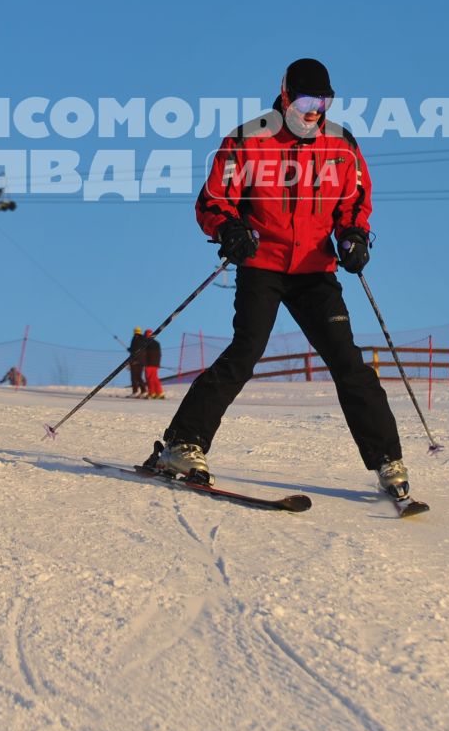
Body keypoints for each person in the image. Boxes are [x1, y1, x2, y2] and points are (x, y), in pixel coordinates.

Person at [146, 58, 410, 504]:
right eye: (307, 100)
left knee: (349, 363)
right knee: (245, 354)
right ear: (285, 95)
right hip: (263, 263)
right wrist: (229, 229)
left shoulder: (341, 145)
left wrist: (353, 238)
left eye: (324, 101)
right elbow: (212, 202)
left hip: (314, 270)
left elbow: (354, 204)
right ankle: (181, 444)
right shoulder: (248, 140)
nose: (314, 111)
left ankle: (388, 459)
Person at [141, 330, 165, 400]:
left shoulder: (146, 343)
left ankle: (152, 393)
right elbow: (159, 354)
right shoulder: (157, 343)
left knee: (149, 379)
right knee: (155, 378)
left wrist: (143, 362)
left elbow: (144, 354)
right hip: (155, 364)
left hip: (149, 364)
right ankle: (159, 393)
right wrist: (158, 364)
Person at [127, 328, 149, 396]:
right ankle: (143, 390)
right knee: (138, 376)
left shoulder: (135, 338)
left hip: (136, 360)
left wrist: (130, 350)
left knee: (134, 377)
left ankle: (136, 391)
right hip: (141, 361)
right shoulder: (143, 339)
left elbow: (135, 350)